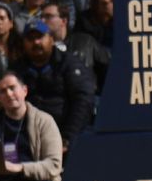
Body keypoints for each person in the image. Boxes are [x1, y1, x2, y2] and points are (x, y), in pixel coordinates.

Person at [11, 19, 95, 150]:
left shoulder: (69, 63)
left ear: (51, 39)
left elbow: (83, 100)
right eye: (30, 39)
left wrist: (67, 139)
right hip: (28, 138)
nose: (36, 42)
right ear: (24, 43)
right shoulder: (17, 69)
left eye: (40, 37)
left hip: (65, 134)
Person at [0, 71, 62, 181]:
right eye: (3, 91)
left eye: (12, 88)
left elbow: (53, 165)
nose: (9, 94)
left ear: (24, 90)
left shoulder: (44, 121)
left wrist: (21, 168)